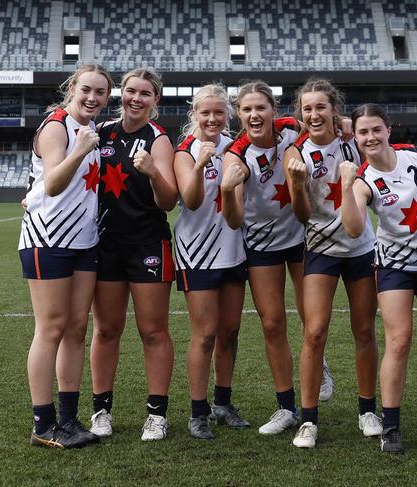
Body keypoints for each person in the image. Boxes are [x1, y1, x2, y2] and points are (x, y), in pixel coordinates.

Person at [340, 103, 417, 454]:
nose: (370, 137)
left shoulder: (415, 154)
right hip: (394, 265)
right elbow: (353, 227)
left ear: (388, 129)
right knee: (399, 340)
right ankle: (390, 425)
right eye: (363, 132)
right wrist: (347, 186)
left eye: (376, 129)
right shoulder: (363, 180)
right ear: (357, 137)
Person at [19, 64, 112, 448]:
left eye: (101, 93)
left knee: (76, 328)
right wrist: (80, 149)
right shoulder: (57, 126)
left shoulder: (90, 131)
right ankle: (43, 425)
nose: (92, 98)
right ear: (72, 88)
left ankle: (69, 420)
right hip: (48, 240)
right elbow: (55, 182)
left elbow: (39, 182)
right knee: (52, 328)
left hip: (84, 241)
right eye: (86, 89)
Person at [284, 79, 380, 449]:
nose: (313, 114)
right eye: (307, 109)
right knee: (315, 331)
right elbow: (301, 214)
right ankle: (308, 420)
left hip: (360, 247)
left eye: (320, 107)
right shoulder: (295, 153)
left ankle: (367, 410)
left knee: (364, 330)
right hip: (321, 248)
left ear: (334, 110)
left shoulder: (352, 144)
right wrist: (296, 184)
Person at [89, 68, 177, 441]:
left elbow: (169, 201)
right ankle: (101, 412)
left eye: (145, 93)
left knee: (153, 330)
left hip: (146, 244)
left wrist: (154, 173)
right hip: (105, 244)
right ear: (120, 94)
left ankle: (156, 414)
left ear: (155, 100)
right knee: (107, 329)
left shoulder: (158, 139)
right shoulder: (102, 133)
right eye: (130, 91)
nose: (136, 98)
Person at [220, 81, 306, 436]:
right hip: (261, 244)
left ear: (274, 109)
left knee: (311, 317)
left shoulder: (291, 129)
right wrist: (228, 189)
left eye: (261, 108)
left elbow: (326, 124)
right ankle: (286, 406)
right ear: (238, 115)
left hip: (302, 237)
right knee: (272, 324)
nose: (254, 115)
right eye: (246, 109)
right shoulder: (235, 154)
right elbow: (234, 219)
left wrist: (343, 122)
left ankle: (322, 367)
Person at [174, 84, 249, 439]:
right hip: (197, 254)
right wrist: (202, 162)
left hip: (233, 250)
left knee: (230, 332)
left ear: (228, 115)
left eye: (219, 112)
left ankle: (223, 402)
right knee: (204, 335)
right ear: (195, 115)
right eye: (205, 112)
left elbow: (237, 216)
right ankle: (197, 411)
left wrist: (229, 188)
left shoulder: (237, 150)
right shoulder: (185, 151)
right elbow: (188, 202)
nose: (212, 119)